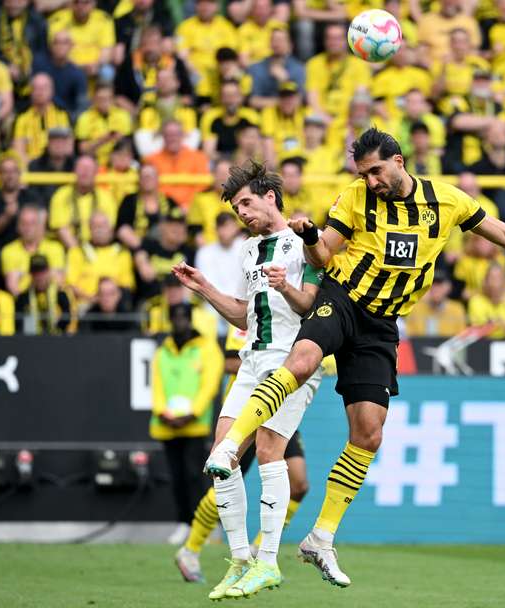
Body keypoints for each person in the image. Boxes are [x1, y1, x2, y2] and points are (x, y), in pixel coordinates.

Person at [199, 129, 505, 587]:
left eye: (375, 171)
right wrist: (312, 235)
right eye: (363, 174)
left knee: (369, 434)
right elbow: (325, 252)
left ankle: (321, 538)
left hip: (381, 326)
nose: (370, 181)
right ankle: (232, 446)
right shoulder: (355, 197)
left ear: (398, 160)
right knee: (301, 359)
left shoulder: (446, 201)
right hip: (344, 299)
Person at [171, 160, 326, 598]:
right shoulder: (248, 251)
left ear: (270, 197)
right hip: (251, 359)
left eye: (246, 203)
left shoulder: (303, 242)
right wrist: (204, 288)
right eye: (237, 206)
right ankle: (240, 558)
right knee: (223, 457)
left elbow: (308, 306)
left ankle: (268, 561)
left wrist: (286, 287)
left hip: (290, 360)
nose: (241, 212)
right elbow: (243, 312)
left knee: (270, 450)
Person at [174, 328, 312, 584]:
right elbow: (229, 361)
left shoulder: (299, 312)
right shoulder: (256, 310)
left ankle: (258, 550)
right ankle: (190, 550)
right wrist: (279, 361)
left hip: (281, 404)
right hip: (248, 411)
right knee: (225, 481)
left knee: (299, 484)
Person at [150, 302, 224, 565]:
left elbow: (210, 383)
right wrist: (161, 411)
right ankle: (183, 522)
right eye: (175, 318)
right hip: (168, 423)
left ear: (190, 319)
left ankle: (202, 526)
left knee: (196, 475)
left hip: (194, 423)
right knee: (177, 476)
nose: (179, 322)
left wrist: (193, 412)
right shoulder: (163, 351)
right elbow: (157, 384)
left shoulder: (206, 348)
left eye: (183, 317)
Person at [15, 254, 78, 335]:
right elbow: (19, 323)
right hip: (32, 341)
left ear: (48, 271)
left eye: (42, 272)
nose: (40, 277)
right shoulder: (23, 298)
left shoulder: (61, 294)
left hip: (58, 339)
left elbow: (68, 319)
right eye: (35, 273)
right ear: (30, 274)